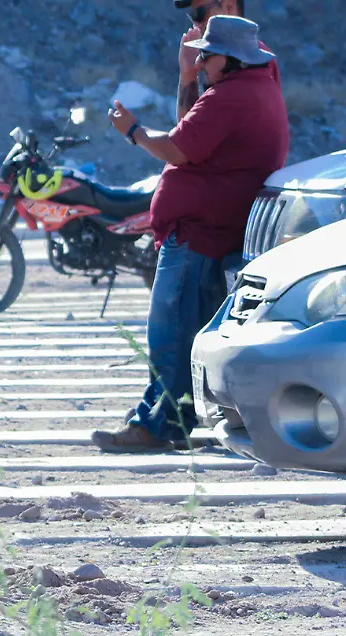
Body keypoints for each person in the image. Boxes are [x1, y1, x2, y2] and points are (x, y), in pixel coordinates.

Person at [95, 15, 289, 452]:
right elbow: (189, 127)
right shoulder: (249, 90)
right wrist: (185, 76)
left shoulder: (232, 98)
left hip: (199, 234)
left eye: (206, 55)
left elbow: (176, 149)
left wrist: (133, 131)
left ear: (230, 59)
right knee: (185, 333)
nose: (200, 61)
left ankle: (156, 425)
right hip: (210, 231)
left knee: (171, 335)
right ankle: (171, 421)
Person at [173, 0, 280, 121]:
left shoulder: (257, 60)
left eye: (200, 13)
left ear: (229, 6)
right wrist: (188, 74)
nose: (196, 24)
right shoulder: (213, 57)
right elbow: (190, 133)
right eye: (192, 16)